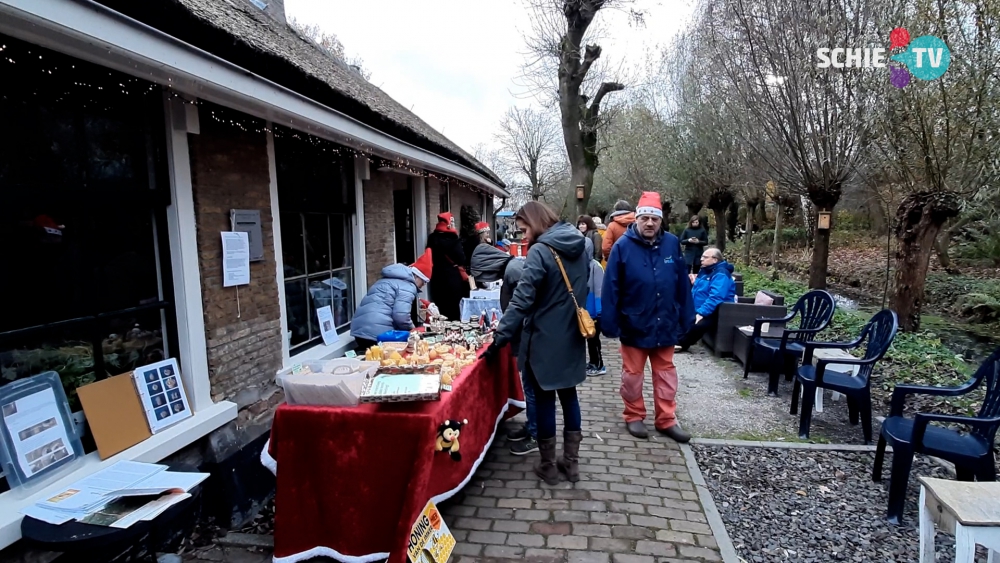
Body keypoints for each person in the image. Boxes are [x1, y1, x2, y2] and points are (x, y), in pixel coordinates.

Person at [481, 201, 588, 484]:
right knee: (569, 397)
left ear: (536, 221)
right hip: (572, 335)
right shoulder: (581, 244)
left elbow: (521, 300)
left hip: (544, 339)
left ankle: (548, 466)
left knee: (544, 402)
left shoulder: (541, 251)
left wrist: (500, 336)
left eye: (524, 228)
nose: (523, 235)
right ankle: (572, 465)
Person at [602, 191, 695, 443]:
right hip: (634, 322)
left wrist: (687, 316)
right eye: (645, 218)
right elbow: (611, 287)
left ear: (660, 220)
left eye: (654, 219)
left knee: (666, 374)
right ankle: (634, 415)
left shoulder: (672, 243)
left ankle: (666, 419)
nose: (650, 223)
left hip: (665, 321)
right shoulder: (623, 246)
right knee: (632, 375)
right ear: (637, 219)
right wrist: (609, 322)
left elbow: (682, 284)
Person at [469, 244, 536, 455]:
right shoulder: (512, 268)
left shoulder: (514, 270)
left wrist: (501, 337)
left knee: (533, 389)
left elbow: (520, 307)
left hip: (530, 337)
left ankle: (536, 434)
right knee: (531, 387)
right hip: (526, 335)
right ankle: (532, 426)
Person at [350, 249, 433, 351]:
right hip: (378, 334)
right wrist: (413, 330)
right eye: (423, 282)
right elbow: (401, 316)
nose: (423, 286)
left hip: (359, 330)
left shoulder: (386, 279)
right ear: (416, 276)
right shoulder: (408, 286)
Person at [676, 247, 736, 352]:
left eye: (705, 257)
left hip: (717, 310)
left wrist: (701, 313)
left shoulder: (721, 274)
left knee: (697, 325)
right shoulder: (705, 271)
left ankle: (681, 344)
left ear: (715, 260)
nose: (701, 259)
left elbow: (716, 297)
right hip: (699, 306)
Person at [426, 212, 466, 321]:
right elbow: (461, 259)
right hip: (452, 277)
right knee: (453, 307)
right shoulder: (454, 239)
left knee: (440, 305)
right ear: (449, 224)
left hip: (437, 276)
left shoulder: (432, 238)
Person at [582, 236, 606, 376]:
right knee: (589, 340)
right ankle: (592, 361)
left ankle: (599, 364)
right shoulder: (580, 266)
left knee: (594, 340)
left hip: (594, 312)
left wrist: (599, 310)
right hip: (585, 310)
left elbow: (599, 290)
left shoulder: (595, 266)